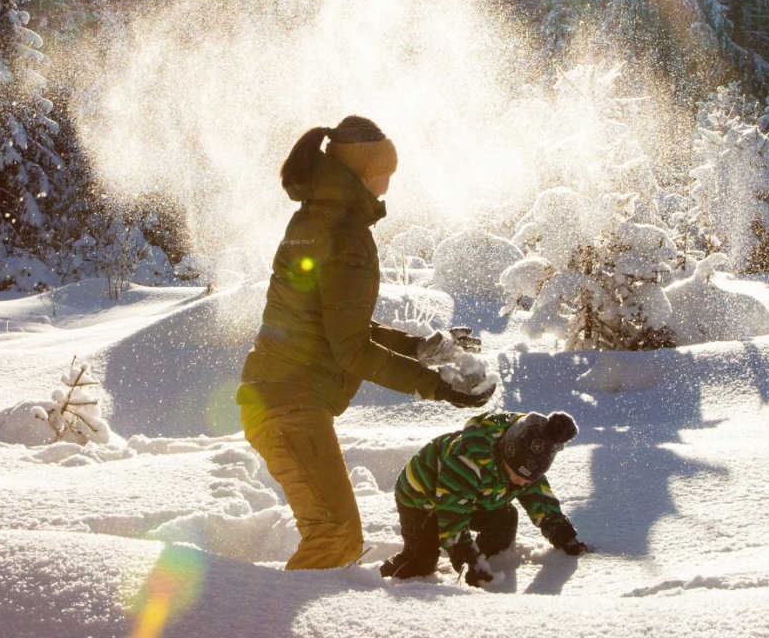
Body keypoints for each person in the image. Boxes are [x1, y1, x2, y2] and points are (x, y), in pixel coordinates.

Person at [237, 115, 494, 569]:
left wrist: (420, 348)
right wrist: (436, 386)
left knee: (335, 536)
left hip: (279, 399)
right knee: (334, 537)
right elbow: (350, 350)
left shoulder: (316, 219)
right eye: (386, 172)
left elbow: (340, 326)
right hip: (290, 407)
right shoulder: (345, 235)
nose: (389, 184)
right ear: (362, 171)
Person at [381, 410, 589, 585]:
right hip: (423, 501)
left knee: (505, 520)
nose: (523, 483)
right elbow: (453, 509)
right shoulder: (468, 460)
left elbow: (539, 498)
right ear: (504, 456)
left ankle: (482, 560)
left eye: (529, 480)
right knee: (422, 563)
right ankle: (378, 577)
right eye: (518, 476)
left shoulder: (524, 466)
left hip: (474, 498)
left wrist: (561, 532)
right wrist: (464, 553)